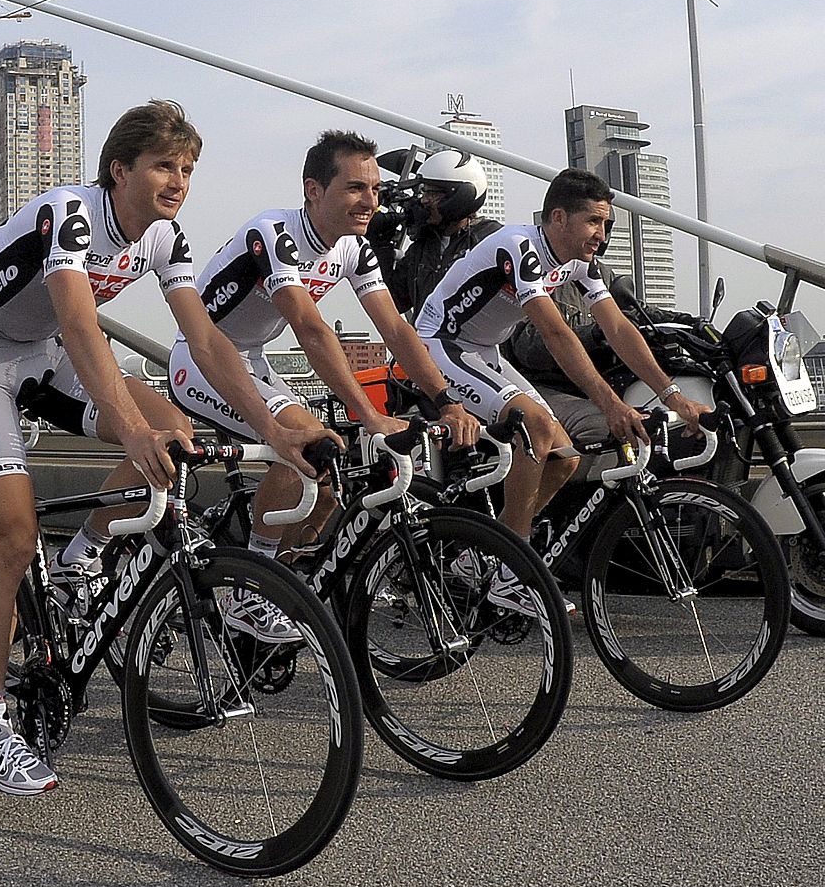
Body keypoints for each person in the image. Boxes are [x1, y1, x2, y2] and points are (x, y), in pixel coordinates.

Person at [0, 99, 339, 795]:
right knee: (12, 537)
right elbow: (78, 322)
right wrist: (130, 428)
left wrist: (274, 430)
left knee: (175, 429)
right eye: (164, 165)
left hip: (45, 354)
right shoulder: (70, 213)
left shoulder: (164, 238)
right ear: (119, 170)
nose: (178, 181)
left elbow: (208, 341)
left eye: (187, 169)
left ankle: (83, 553)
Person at [170, 130, 478, 555]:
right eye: (355, 188)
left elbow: (395, 329)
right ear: (313, 190)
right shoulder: (274, 233)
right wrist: (370, 416)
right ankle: (252, 579)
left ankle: (291, 572)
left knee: (330, 485)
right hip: (200, 359)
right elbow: (310, 329)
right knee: (301, 445)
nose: (370, 202)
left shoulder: (355, 249)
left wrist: (447, 401)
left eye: (375, 189)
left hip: (252, 360)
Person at [414, 168, 710, 599]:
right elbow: (556, 334)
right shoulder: (520, 247)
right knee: (535, 426)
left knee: (564, 456)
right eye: (593, 221)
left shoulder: (581, 264)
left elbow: (617, 328)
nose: (601, 234)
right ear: (558, 218)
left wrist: (673, 396)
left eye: (606, 223)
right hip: (441, 343)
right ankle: (512, 569)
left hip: (483, 349)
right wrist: (611, 405)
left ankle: (483, 553)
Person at [370, 147, 501, 320]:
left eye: (432, 193)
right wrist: (381, 245)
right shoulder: (423, 247)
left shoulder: (491, 239)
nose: (424, 200)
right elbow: (394, 302)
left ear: (461, 195)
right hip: (426, 336)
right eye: (424, 192)